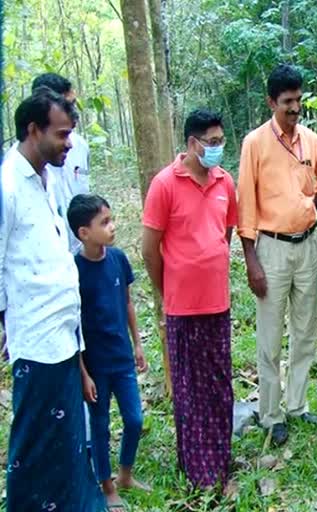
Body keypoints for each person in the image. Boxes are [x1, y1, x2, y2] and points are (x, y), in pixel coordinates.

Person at [0, 89, 105, 511]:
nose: (69, 144)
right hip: (36, 340)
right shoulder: (8, 185)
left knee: (67, 443)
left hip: (63, 338)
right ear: (33, 130)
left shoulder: (45, 179)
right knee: (35, 444)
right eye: (62, 135)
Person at [142, 109, 237, 490]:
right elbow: (150, 249)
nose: (217, 149)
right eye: (211, 143)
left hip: (218, 303)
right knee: (189, 390)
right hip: (182, 307)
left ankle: (221, 459)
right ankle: (198, 469)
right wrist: (169, 290)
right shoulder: (164, 184)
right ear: (192, 144)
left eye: (220, 141)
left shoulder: (225, 182)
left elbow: (225, 232)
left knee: (218, 385)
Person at [237, 64, 317, 446]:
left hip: (306, 245)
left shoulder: (311, 140)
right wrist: (252, 260)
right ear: (271, 101)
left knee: (305, 332)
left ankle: (297, 406)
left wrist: (307, 209)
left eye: (298, 100)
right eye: (287, 101)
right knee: (270, 336)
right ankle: (271, 415)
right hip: (270, 248)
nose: (294, 108)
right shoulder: (254, 143)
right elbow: (245, 205)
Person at [68, 194, 150, 511]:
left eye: (111, 218)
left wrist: (138, 343)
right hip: (95, 365)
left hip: (122, 358)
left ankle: (125, 474)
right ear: (83, 233)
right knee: (99, 425)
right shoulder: (74, 271)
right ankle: (106, 485)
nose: (112, 226)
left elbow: (127, 302)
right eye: (104, 222)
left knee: (134, 419)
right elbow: (72, 323)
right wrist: (83, 373)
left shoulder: (117, 259)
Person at [30, 73, 91, 253]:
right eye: (68, 105)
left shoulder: (80, 146)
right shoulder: (20, 167)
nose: (75, 113)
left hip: (81, 252)